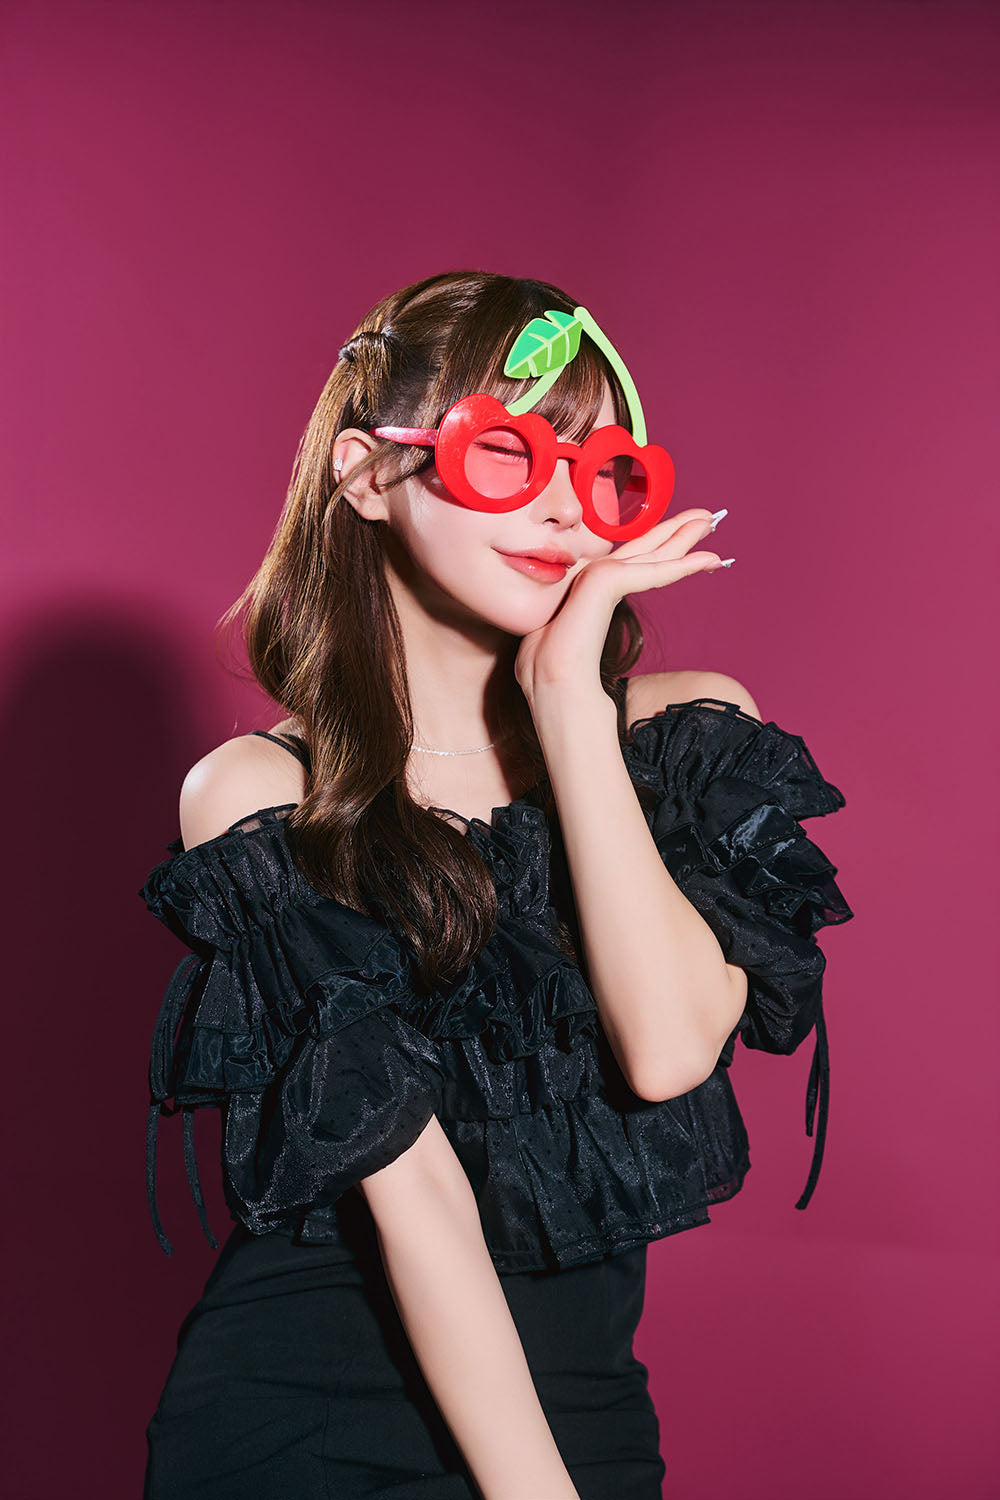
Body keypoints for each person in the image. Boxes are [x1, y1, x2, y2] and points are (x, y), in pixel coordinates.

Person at [139, 270, 854, 1499]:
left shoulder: (683, 738)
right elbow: (415, 1198)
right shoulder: (259, 792)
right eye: (507, 454)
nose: (564, 508)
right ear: (368, 475)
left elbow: (667, 1050)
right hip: (307, 1422)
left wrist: (567, 703)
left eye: (604, 472)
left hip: (587, 1409)